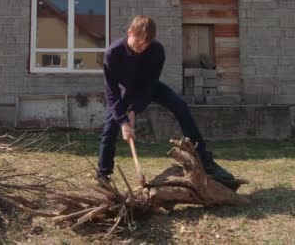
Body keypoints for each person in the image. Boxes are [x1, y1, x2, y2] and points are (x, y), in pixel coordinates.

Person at [97, 15, 235, 184]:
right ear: (129, 32)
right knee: (109, 130)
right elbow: (111, 92)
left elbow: (149, 87)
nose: (142, 46)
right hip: (124, 92)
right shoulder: (113, 53)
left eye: (146, 43)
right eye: (138, 41)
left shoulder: (156, 51)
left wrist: (134, 110)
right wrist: (124, 122)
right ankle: (103, 175)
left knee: (181, 107)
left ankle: (205, 161)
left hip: (149, 86)